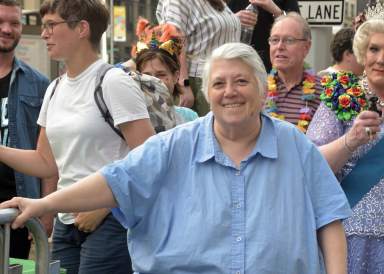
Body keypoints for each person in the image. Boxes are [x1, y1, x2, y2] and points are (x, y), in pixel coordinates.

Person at [1, 42, 351, 274]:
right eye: (219, 84)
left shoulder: (295, 146)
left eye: (241, 81)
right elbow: (113, 182)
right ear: (205, 93)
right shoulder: (174, 146)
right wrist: (44, 204)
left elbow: (329, 219)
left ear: (261, 90)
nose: (230, 92)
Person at [0, 0, 155, 273]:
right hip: (66, 223)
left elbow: (150, 157)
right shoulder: (55, 88)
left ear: (82, 28)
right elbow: (46, 162)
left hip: (111, 222)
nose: (44, 34)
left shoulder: (113, 81)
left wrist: (107, 205)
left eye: (51, 25)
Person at [306, 14, 384, 273]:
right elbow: (310, 164)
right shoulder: (341, 98)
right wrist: (350, 141)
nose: (381, 59)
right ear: (362, 51)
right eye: (374, 49)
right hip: (347, 236)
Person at [0, 0, 56, 259]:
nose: (7, 29)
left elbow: (47, 152)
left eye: (14, 22)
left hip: (17, 210)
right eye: (1, 22)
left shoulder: (39, 84)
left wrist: (46, 209)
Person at [156, 0, 240, 116]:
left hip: (225, 76)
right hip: (199, 81)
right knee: (208, 130)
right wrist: (183, 85)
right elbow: (173, 40)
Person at [264, 12, 322, 133]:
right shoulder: (258, 87)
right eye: (275, 40)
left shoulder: (323, 91)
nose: (279, 46)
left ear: (306, 47)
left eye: (289, 40)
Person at [132, 20, 198, 123]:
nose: (153, 80)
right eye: (146, 75)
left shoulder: (190, 117)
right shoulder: (134, 117)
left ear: (176, 76)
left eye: (161, 75)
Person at [228, 0, 300, 72]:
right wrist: (233, 19)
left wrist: (276, 11)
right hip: (237, 57)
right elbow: (219, 22)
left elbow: (298, 27)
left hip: (274, 59)